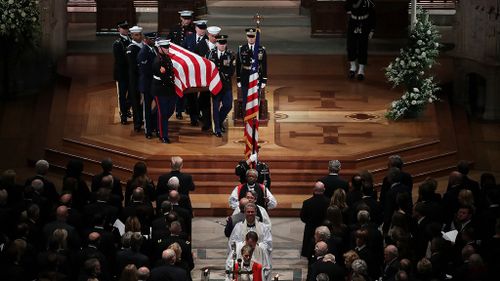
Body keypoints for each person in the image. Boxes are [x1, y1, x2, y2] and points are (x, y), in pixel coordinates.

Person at [167, 10, 195, 120]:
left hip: (188, 62)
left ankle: (187, 107)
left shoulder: (193, 30)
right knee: (179, 84)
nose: (187, 21)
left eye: (188, 19)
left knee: (189, 85)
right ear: (181, 18)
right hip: (177, 61)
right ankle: (178, 110)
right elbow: (169, 43)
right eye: (185, 18)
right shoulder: (175, 29)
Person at [207, 34, 235, 137]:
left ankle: (218, 121)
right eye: (220, 43)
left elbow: (231, 71)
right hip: (214, 85)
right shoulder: (210, 54)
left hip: (226, 85)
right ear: (216, 43)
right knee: (215, 107)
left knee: (228, 105)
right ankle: (217, 129)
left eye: (224, 43)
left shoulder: (230, 55)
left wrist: (220, 74)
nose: (222, 45)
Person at [236, 27, 267, 118]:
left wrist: (264, 80)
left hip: (257, 77)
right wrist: (238, 79)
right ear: (246, 37)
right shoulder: (241, 49)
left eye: (253, 36)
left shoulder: (261, 49)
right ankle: (247, 118)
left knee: (256, 98)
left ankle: (255, 118)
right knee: (246, 98)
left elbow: (264, 65)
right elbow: (238, 65)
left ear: (256, 37)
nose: (251, 38)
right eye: (249, 36)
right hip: (245, 77)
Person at [151, 38, 177, 143]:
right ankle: (163, 135)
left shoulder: (166, 58)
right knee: (163, 113)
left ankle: (154, 122)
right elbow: (165, 77)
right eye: (165, 47)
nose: (167, 49)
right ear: (159, 48)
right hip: (160, 90)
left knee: (170, 110)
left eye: (168, 46)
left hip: (169, 89)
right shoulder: (158, 61)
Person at [182, 20, 208, 126]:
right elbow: (183, 51)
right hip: (190, 72)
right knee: (191, 96)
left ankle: (201, 114)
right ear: (196, 28)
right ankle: (194, 117)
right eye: (200, 28)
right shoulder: (189, 38)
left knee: (203, 96)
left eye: (204, 29)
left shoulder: (208, 40)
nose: (202, 30)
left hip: (203, 73)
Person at [196, 25, 221, 132]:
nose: (215, 38)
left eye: (217, 36)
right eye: (213, 36)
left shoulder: (221, 45)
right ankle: (206, 123)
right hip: (205, 78)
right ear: (208, 35)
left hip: (217, 78)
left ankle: (217, 123)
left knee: (217, 102)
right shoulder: (200, 46)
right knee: (205, 101)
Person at [345, 0, 376, 81]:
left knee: (363, 46)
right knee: (351, 46)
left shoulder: (368, 1)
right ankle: (352, 67)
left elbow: (373, 15)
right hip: (353, 23)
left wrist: (372, 30)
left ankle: (361, 71)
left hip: (365, 23)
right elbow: (346, 8)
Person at [300, 181, 329, 257]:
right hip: (324, 228)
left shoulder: (307, 202)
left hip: (310, 228)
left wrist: (309, 222)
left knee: (309, 249)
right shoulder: (328, 202)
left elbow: (303, 217)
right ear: (324, 189)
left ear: (314, 189)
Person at [138, 31, 158, 139]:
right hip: (146, 85)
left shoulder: (154, 50)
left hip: (154, 85)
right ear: (146, 40)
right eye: (152, 39)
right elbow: (145, 71)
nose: (154, 41)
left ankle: (154, 126)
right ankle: (148, 131)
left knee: (158, 106)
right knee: (147, 108)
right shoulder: (143, 52)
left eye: (155, 39)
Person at [113, 20, 132, 125]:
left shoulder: (131, 41)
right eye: (123, 28)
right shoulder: (117, 43)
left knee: (132, 94)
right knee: (122, 95)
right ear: (119, 29)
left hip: (130, 74)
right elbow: (120, 60)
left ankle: (126, 108)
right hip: (122, 74)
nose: (125, 30)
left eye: (126, 28)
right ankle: (123, 115)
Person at [127, 25, 145, 132]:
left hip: (143, 78)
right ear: (132, 36)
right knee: (136, 101)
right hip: (135, 79)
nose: (139, 37)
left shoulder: (144, 46)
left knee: (144, 101)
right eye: (136, 35)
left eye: (140, 35)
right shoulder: (131, 49)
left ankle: (143, 119)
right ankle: (137, 123)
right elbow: (133, 66)